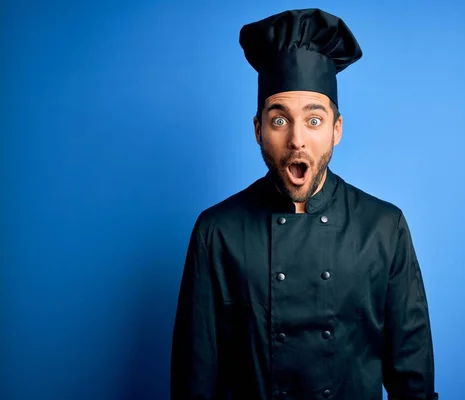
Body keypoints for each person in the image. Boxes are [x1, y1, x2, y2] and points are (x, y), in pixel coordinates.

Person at [170, 8, 439, 400]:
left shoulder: (384, 229)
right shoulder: (217, 232)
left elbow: (413, 384)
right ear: (259, 130)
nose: (297, 139)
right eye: (279, 120)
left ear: (336, 130)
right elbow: (194, 383)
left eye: (314, 120)